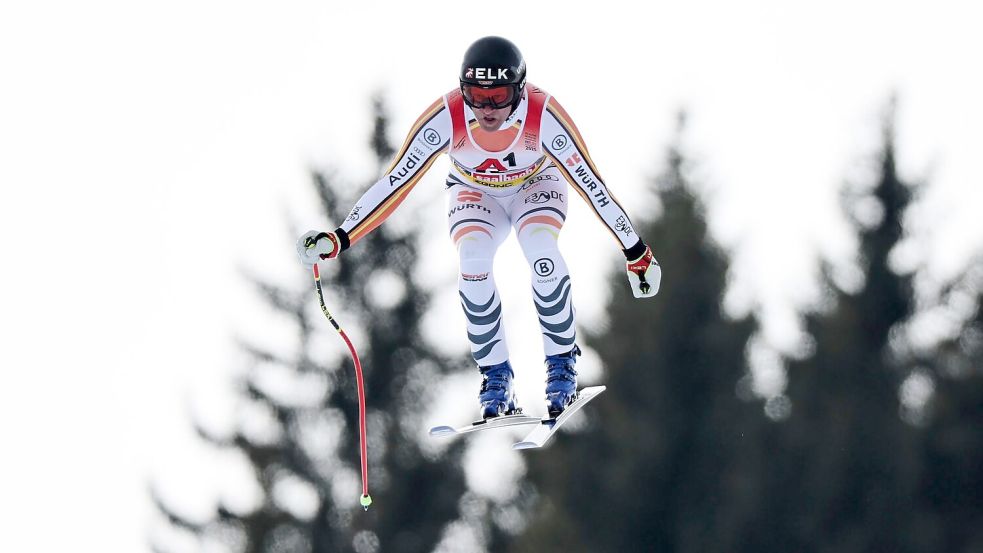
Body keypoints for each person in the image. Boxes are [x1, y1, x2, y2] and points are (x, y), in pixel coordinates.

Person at [297, 36, 661, 419]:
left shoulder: (544, 117)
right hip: (474, 194)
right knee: (472, 263)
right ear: (462, 89)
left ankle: (561, 365)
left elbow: (591, 185)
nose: (487, 108)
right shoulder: (446, 117)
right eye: (476, 94)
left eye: (499, 96)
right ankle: (496, 376)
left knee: (541, 252)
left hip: (535, 186)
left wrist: (636, 251)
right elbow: (396, 182)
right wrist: (341, 237)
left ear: (519, 90)